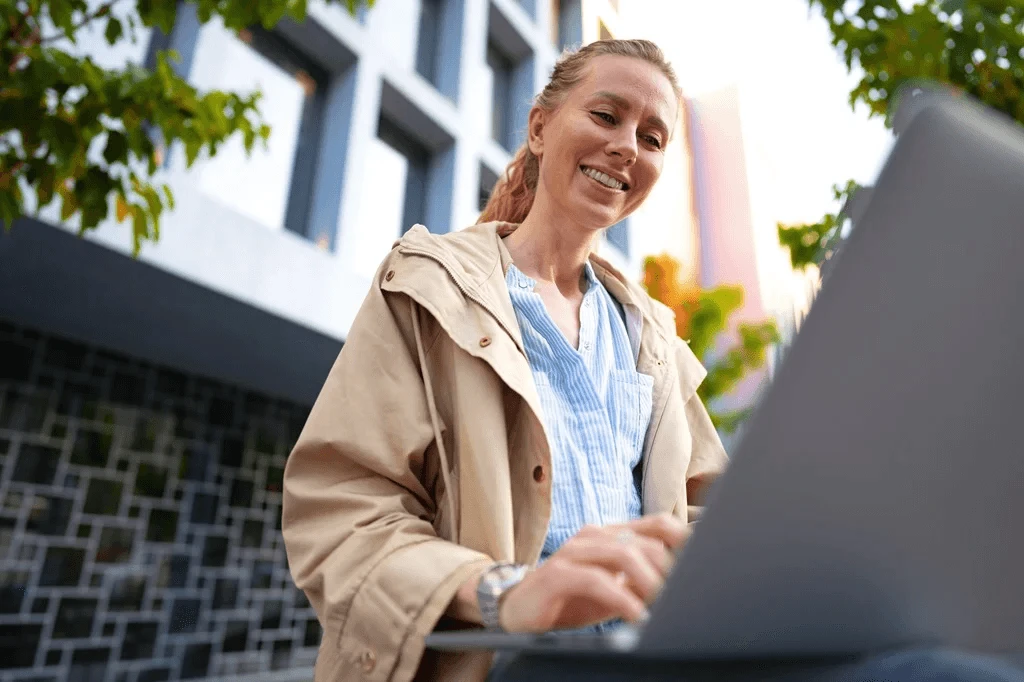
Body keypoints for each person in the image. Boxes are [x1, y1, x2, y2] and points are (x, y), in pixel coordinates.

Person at [281, 39, 1024, 682]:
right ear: (541, 126)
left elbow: (716, 520)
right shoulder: (425, 284)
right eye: (606, 116)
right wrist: (505, 592)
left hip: (653, 657)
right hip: (512, 661)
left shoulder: (652, 337)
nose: (628, 146)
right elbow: (340, 516)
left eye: (653, 136)